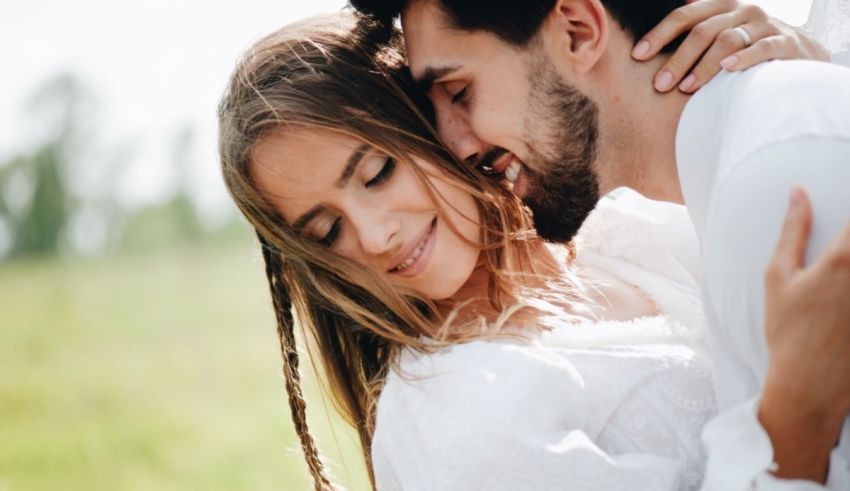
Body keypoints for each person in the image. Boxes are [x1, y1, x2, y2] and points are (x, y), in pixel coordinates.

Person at [217, 5, 842, 491]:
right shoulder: (452, 415)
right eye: (327, 232)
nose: (375, 237)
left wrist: (783, 75)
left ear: (431, 126)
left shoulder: (623, 232)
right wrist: (794, 425)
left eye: (378, 173)